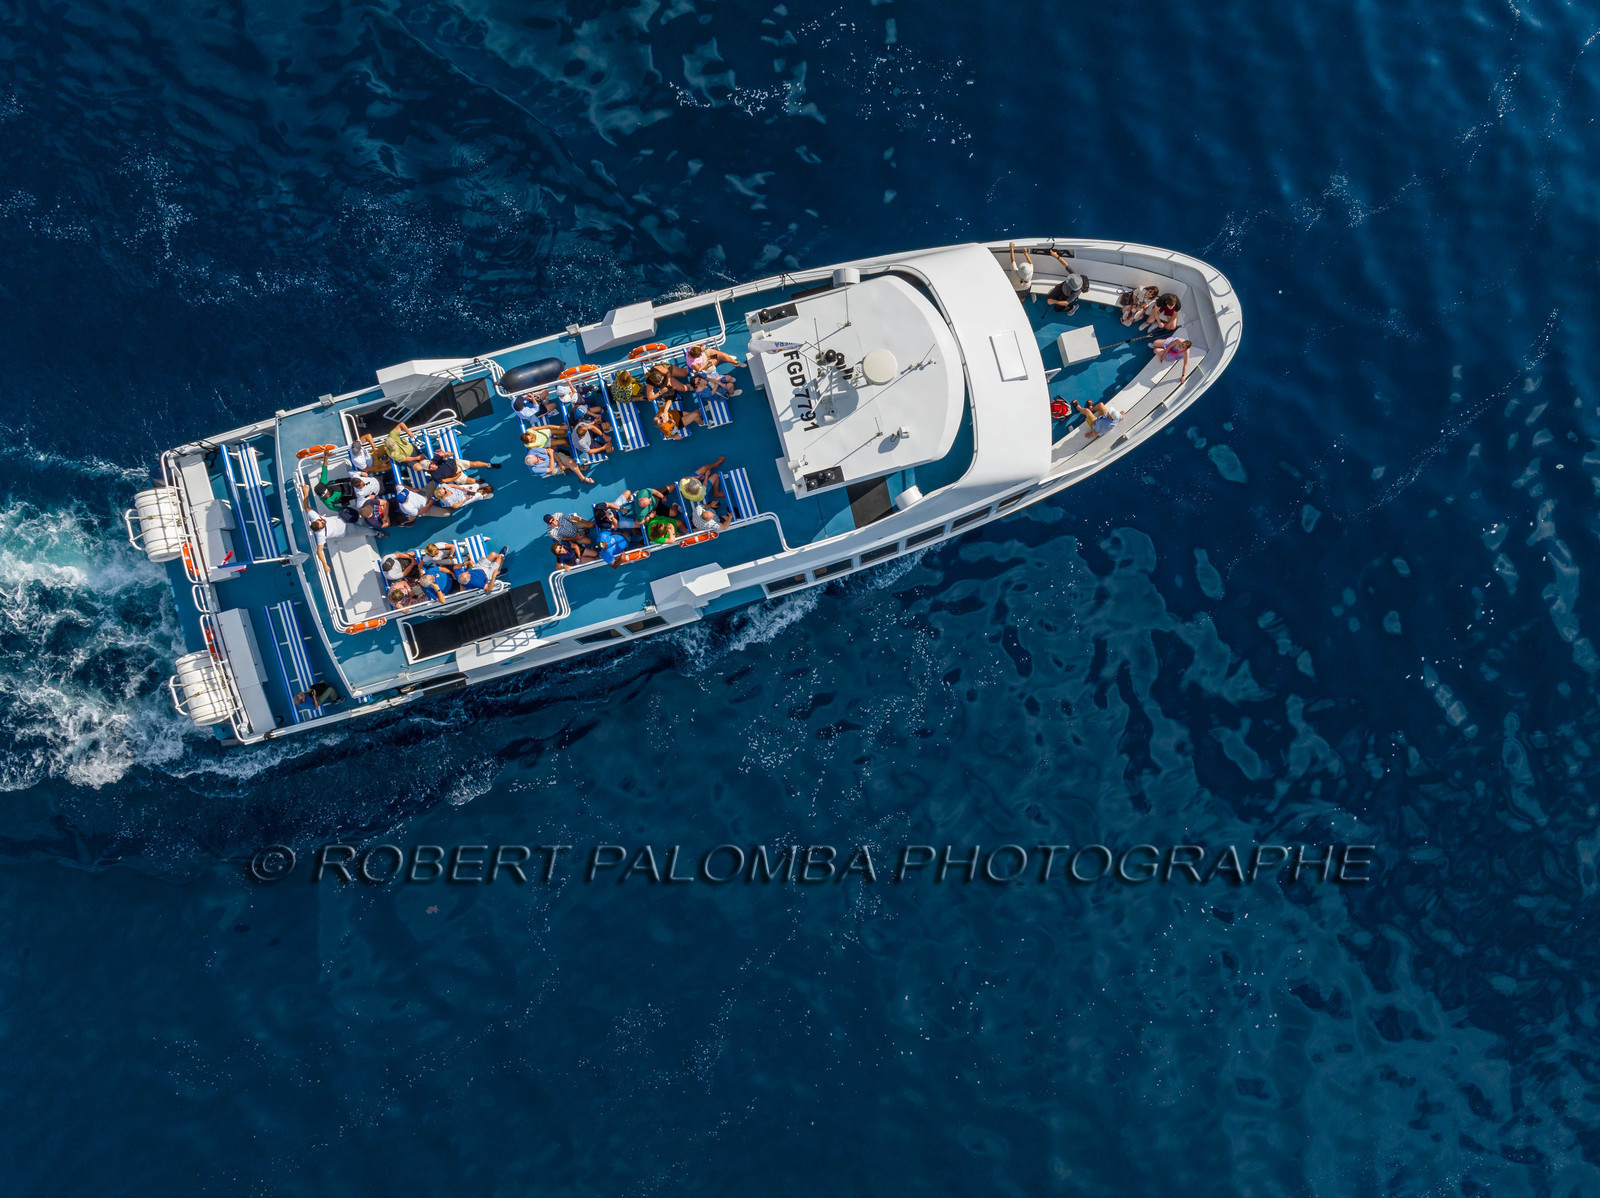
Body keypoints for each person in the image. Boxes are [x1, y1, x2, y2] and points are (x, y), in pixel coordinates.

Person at [307, 510, 381, 571]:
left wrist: (306, 493)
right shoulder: (320, 535)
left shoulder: (315, 517)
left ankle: (377, 518)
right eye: (322, 525)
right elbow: (319, 551)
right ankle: (377, 533)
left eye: (320, 521)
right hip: (347, 530)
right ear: (319, 529)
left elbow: (306, 507)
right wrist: (325, 565)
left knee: (364, 519)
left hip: (345, 518)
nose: (323, 522)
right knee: (367, 530)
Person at [522, 428, 595, 484]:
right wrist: (552, 458)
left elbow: (551, 451)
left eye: (537, 457)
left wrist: (560, 462)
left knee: (571, 462)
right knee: (570, 465)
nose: (539, 458)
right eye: (538, 461)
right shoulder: (535, 470)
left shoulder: (533, 451)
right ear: (534, 464)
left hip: (556, 457)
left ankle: (582, 478)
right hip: (554, 468)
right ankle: (578, 469)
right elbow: (550, 469)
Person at [1042, 250, 1088, 314]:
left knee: (1057, 308)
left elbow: (1067, 302)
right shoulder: (1075, 275)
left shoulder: (1076, 292)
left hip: (1067, 295)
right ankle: (1056, 298)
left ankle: (1072, 308)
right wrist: (1056, 256)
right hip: (1062, 287)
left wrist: (1054, 301)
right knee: (1049, 296)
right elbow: (1066, 265)